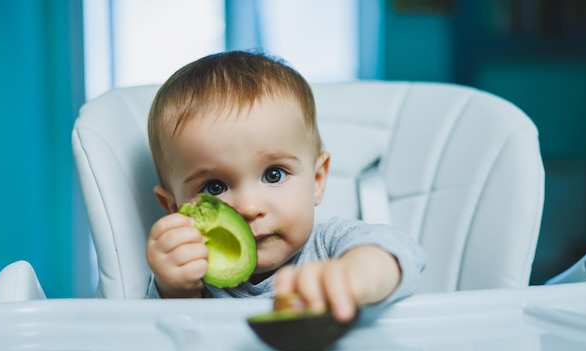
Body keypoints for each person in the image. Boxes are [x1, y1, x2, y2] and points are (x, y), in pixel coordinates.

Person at [145, 50, 426, 322]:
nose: (248, 207)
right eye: (214, 188)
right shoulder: (191, 276)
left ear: (317, 181)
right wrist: (174, 291)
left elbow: (398, 251)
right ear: (173, 208)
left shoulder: (329, 245)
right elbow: (158, 345)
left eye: (274, 175)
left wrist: (356, 275)